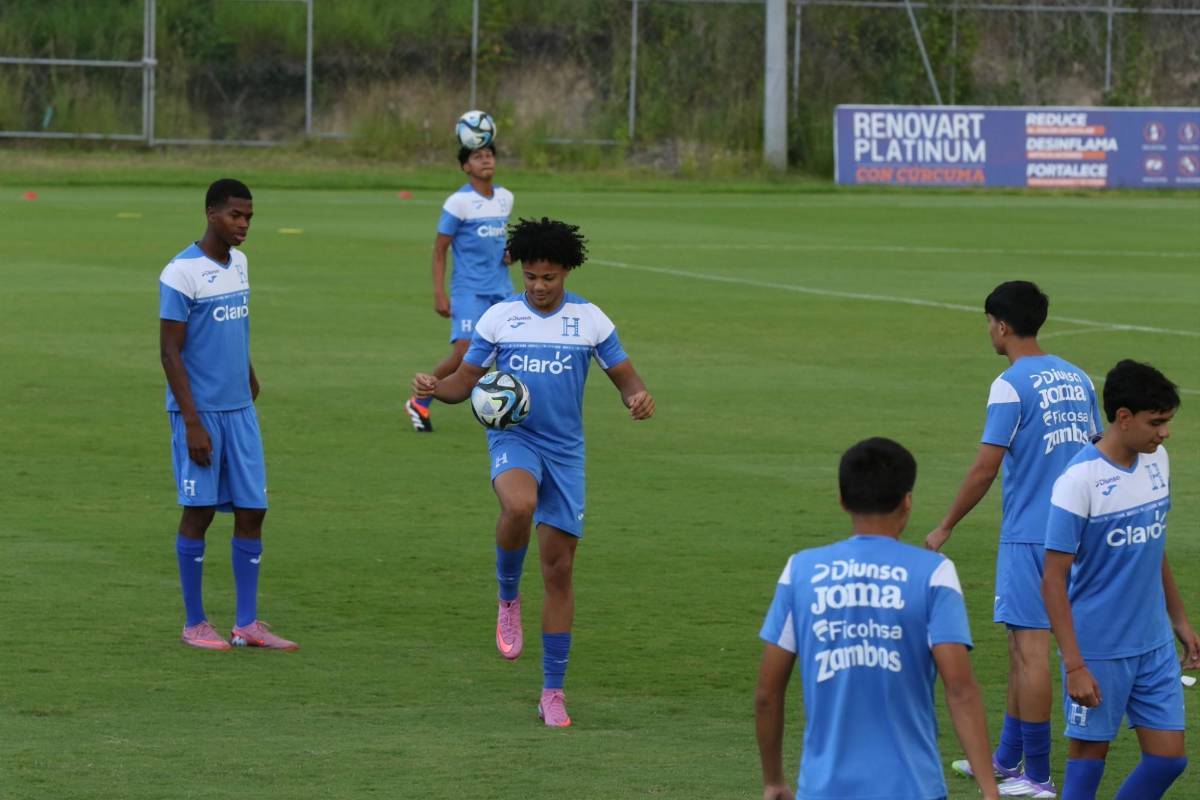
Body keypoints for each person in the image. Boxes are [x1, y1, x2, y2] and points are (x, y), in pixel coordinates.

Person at [411, 217, 653, 727]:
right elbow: (464, 383)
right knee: (519, 505)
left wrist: (637, 398)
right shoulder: (500, 317)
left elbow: (626, 379)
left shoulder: (590, 320)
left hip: (565, 453)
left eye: (549, 277)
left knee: (559, 572)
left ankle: (552, 692)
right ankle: (507, 595)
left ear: (566, 271)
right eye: (530, 277)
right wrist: (435, 387)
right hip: (514, 437)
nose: (539, 286)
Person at [926, 281, 1100, 797]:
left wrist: (946, 524)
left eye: (988, 323)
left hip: (1031, 535)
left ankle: (1038, 775)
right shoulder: (1078, 377)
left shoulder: (1010, 384)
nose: (989, 332)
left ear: (1001, 325)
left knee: (1030, 651)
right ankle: (1007, 756)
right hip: (1078, 529)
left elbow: (986, 466)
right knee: (1018, 646)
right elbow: (1095, 450)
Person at [756, 437, 1000, 800]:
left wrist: (775, 781)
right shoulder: (934, 573)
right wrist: (990, 790)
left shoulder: (800, 571)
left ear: (842, 499)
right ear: (907, 501)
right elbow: (960, 690)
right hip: (914, 788)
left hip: (825, 790)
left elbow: (767, 693)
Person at [1043, 360, 1198, 800]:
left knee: (1168, 759)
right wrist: (1075, 665)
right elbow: (1052, 579)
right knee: (1088, 761)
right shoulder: (1079, 480)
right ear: (1124, 417)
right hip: (1099, 647)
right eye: (1157, 422)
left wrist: (1180, 621)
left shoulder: (1157, 461)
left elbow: (1153, 547)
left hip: (1153, 642)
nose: (1165, 433)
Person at [159, 178, 297, 652]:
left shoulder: (240, 263)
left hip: (240, 409)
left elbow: (234, 329)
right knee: (199, 511)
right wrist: (192, 422)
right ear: (212, 213)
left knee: (253, 509)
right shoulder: (181, 272)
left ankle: (246, 624)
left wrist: (249, 374)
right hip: (201, 413)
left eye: (249, 217)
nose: (244, 225)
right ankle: (194, 623)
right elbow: (170, 352)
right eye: (236, 215)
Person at [404, 141, 514, 432]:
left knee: (509, 351)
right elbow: (440, 249)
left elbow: (499, 243)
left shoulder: (506, 198)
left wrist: (509, 254)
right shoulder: (458, 202)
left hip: (501, 289)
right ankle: (420, 400)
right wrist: (439, 293)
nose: (486, 160)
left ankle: (509, 408)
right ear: (466, 166)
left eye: (489, 155)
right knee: (465, 353)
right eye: (478, 156)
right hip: (468, 291)